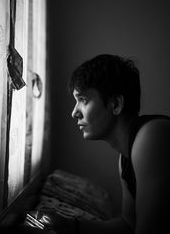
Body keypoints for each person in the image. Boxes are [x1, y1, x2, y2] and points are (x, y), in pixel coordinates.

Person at [36, 54, 170, 234]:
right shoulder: (125, 158)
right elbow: (128, 224)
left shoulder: (152, 136)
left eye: (83, 100)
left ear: (115, 104)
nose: (74, 113)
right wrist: (69, 225)